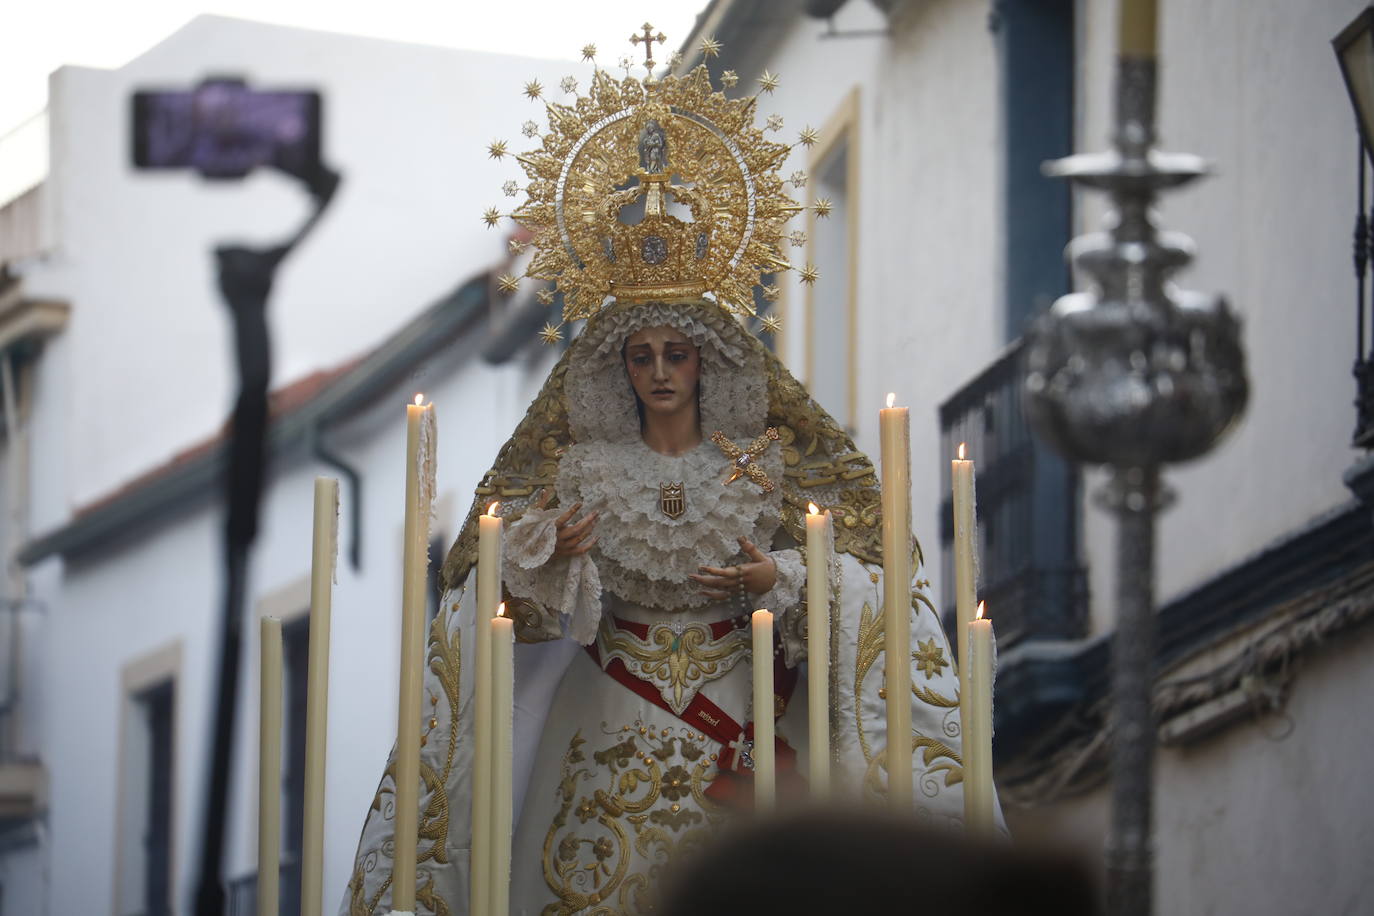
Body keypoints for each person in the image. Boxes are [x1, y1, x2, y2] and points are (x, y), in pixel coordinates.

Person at [340, 36, 995, 916]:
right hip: (604, 735)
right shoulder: (579, 472)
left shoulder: (767, 471)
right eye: (642, 354)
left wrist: (787, 579)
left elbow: (871, 585)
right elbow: (490, 617)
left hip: (750, 745)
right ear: (617, 366)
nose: (659, 372)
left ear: (707, 363)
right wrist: (542, 561)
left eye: (677, 353)